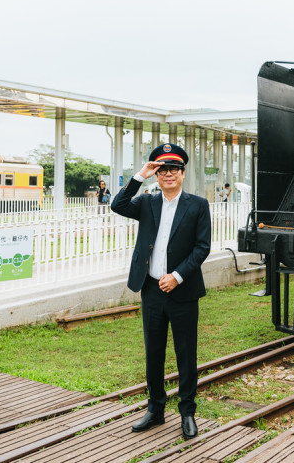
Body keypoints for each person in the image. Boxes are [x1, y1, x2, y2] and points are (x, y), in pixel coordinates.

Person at [110, 143, 211, 440]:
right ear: (157, 174)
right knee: (153, 353)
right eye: (162, 169)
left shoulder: (198, 205)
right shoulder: (147, 203)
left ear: (183, 173)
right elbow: (117, 205)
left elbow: (202, 247)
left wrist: (177, 276)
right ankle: (155, 410)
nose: (169, 174)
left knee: (185, 354)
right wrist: (140, 174)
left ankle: (187, 413)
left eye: (175, 169)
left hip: (182, 291)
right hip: (151, 290)